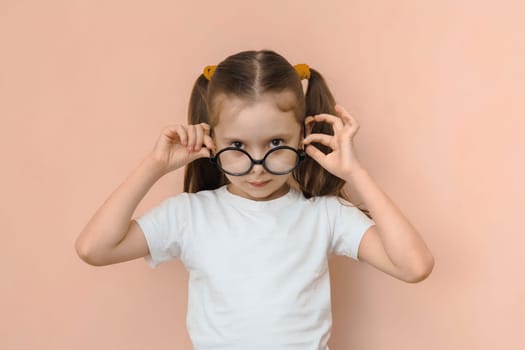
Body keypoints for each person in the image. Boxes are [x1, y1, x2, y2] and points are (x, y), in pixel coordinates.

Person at [75, 49, 434, 350]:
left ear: (303, 135)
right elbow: (95, 248)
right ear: (211, 139)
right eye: (237, 146)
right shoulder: (189, 215)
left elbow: (414, 266)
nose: (257, 168)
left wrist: (355, 172)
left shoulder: (325, 215)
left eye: (276, 144)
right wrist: (154, 166)